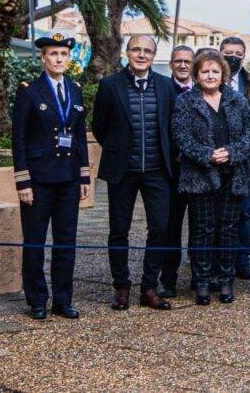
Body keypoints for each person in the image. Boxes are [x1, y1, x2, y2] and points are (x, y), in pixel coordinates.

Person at [91, 35, 177, 311]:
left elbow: (171, 126)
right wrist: (118, 150)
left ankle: (149, 287)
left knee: (160, 228)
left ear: (154, 55)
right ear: (127, 52)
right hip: (122, 171)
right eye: (136, 49)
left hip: (157, 170)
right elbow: (100, 127)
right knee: (119, 230)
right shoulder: (109, 85)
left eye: (147, 51)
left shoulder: (166, 86)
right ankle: (121, 286)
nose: (141, 55)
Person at [11, 34, 92, 320]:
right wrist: (23, 181)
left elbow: (80, 136)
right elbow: (18, 139)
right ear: (43, 58)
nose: (59, 59)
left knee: (66, 241)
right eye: (53, 54)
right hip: (39, 180)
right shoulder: (29, 91)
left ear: (70, 59)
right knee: (35, 242)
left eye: (63, 54)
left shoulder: (76, 90)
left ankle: (62, 299)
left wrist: (84, 177)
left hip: (68, 178)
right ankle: (37, 300)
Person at [171, 49, 250, 305]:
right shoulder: (186, 101)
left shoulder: (236, 99)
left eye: (215, 71)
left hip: (233, 175)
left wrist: (230, 152)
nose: (210, 75)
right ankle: (203, 281)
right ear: (197, 75)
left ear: (223, 75)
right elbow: (181, 137)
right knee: (202, 230)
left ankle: (226, 280)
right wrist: (208, 155)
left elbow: (249, 134)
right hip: (201, 177)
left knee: (229, 230)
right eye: (205, 71)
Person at [220, 36, 250, 280]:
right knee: (217, 214)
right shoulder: (209, 77)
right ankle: (215, 259)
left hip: (248, 159)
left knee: (246, 213)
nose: (232, 57)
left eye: (237, 53)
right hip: (216, 157)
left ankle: (242, 259)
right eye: (228, 52)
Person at [161, 45, 196, 297]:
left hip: (198, 170)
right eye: (178, 61)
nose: (183, 65)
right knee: (170, 227)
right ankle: (169, 278)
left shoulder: (204, 90)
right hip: (171, 171)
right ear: (171, 64)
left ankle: (199, 276)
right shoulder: (162, 89)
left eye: (187, 61)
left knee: (199, 225)